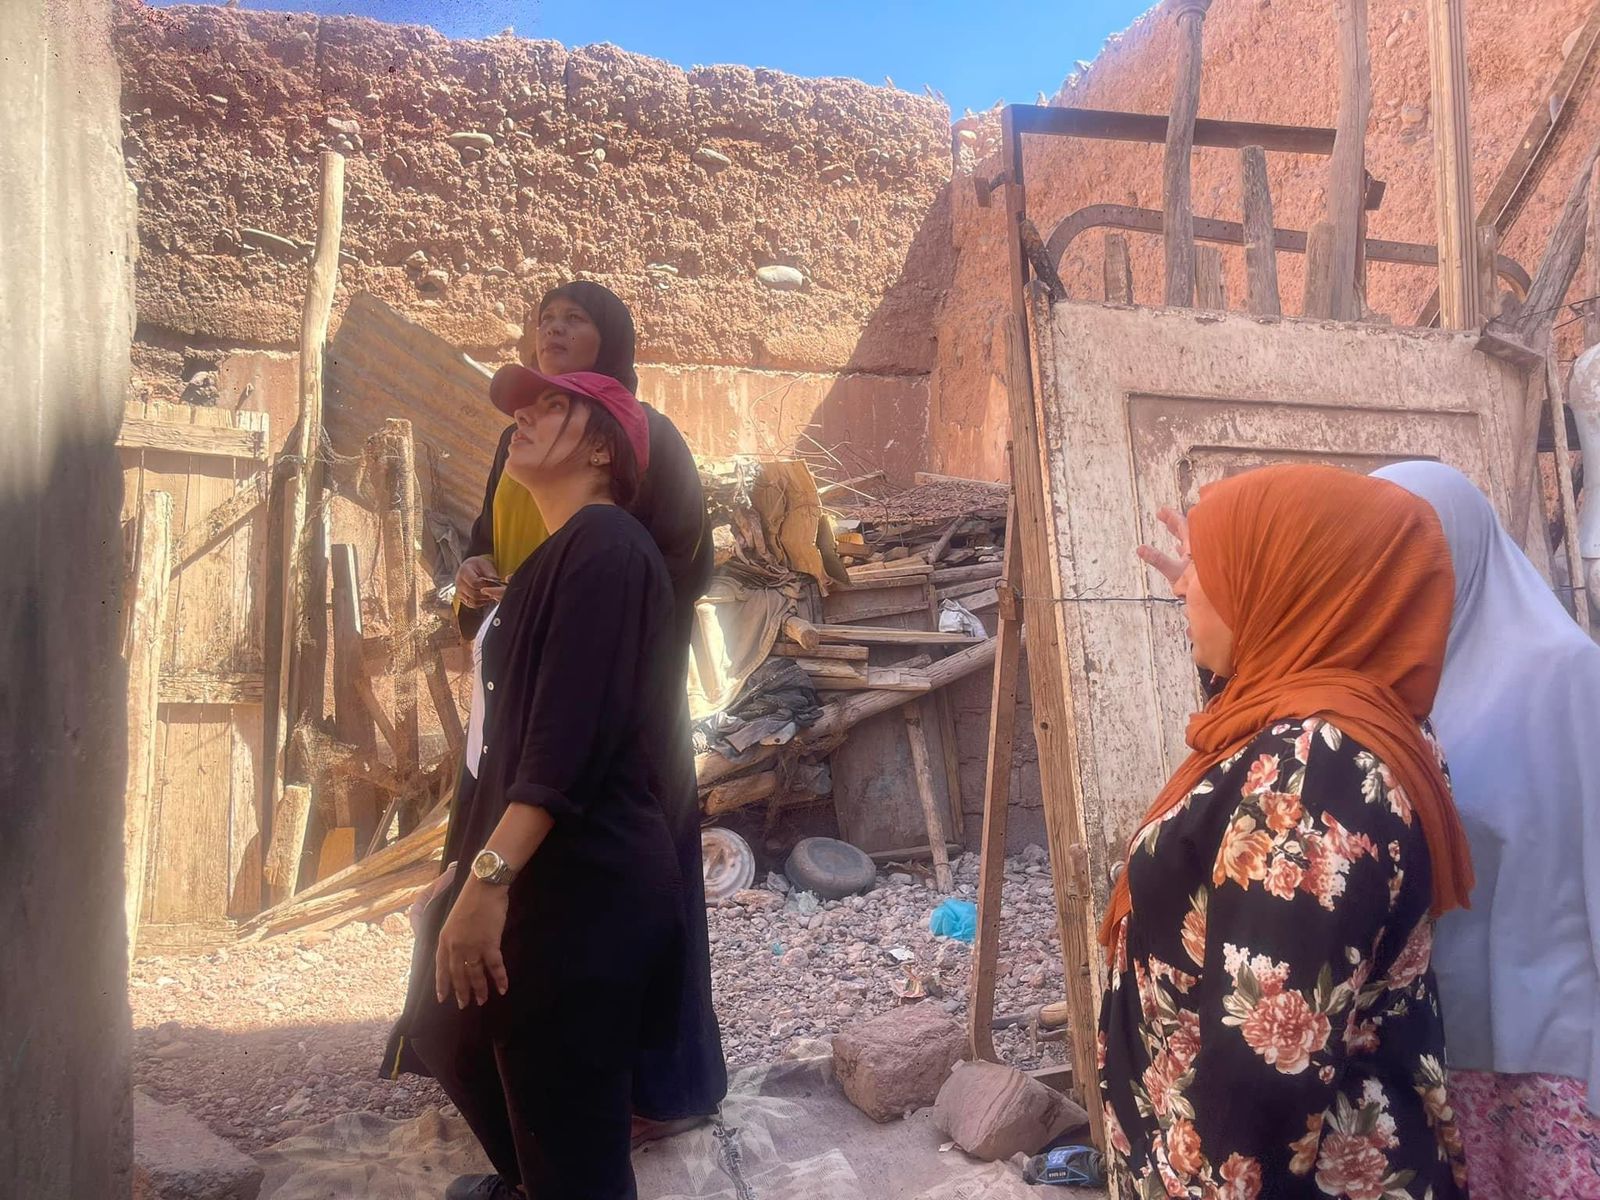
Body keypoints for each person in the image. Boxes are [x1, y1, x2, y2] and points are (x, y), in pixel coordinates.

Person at [393, 281, 727, 1138]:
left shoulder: (644, 449)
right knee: (506, 869)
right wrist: (478, 581)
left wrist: (588, 608)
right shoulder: (519, 447)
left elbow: (680, 562)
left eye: (574, 318)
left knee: (606, 884)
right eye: (543, 318)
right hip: (519, 688)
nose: (552, 329)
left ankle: (646, 1088)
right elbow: (489, 548)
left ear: (611, 341)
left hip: (617, 694)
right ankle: (522, 1091)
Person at [1103, 464, 1474, 1198]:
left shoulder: (1314, 775)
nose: (1183, 587)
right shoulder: (1352, 720)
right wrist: (1224, 616)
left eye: (1213, 567)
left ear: (1284, 587)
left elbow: (1265, 1075)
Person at [1373, 460, 1600, 1200]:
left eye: (1413, 550)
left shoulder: (1567, 676)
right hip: (1440, 1046)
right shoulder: (1389, 692)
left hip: (1559, 1058)